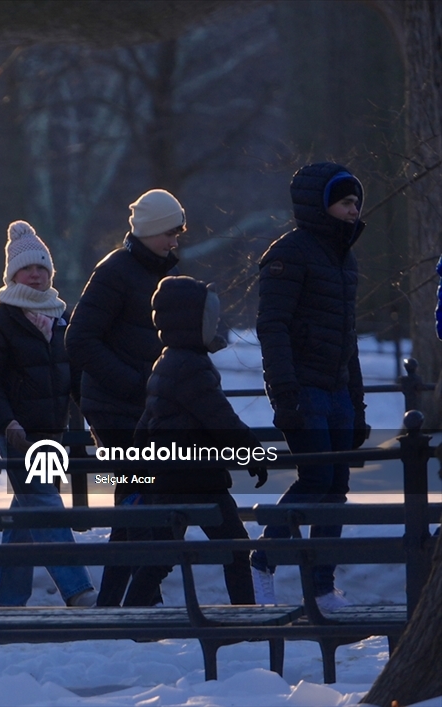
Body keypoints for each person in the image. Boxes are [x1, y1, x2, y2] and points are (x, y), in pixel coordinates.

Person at [250, 162, 369, 613]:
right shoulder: (289, 254)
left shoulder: (345, 259)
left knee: (336, 484)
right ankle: (263, 557)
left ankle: (321, 585)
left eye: (356, 202)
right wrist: (285, 392)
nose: (353, 211)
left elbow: (348, 338)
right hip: (304, 388)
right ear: (320, 207)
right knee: (316, 477)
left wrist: (356, 405)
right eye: (344, 202)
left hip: (336, 390)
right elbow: (272, 326)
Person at [65, 188, 182, 607]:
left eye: (178, 232)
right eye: (169, 232)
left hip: (145, 409)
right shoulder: (114, 272)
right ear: (148, 231)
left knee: (133, 502)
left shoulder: (161, 272)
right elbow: (79, 339)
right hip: (116, 410)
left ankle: (117, 604)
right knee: (139, 498)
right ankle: (139, 601)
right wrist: (135, 383)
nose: (175, 240)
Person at [122, 276, 267, 606]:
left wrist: (138, 466)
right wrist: (253, 452)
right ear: (191, 322)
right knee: (234, 547)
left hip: (169, 479)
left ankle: (130, 615)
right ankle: (245, 616)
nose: (216, 324)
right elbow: (221, 419)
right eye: (210, 318)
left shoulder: (168, 360)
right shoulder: (190, 366)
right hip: (198, 479)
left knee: (161, 556)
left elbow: (147, 423)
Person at [0, 220, 97, 607]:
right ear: (13, 275)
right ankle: (79, 591)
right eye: (28, 268)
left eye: (42, 267)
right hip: (17, 433)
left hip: (52, 432)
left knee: (26, 516)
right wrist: (6, 420)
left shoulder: (60, 320)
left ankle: (4, 601)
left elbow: (73, 376)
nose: (36, 274)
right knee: (45, 503)